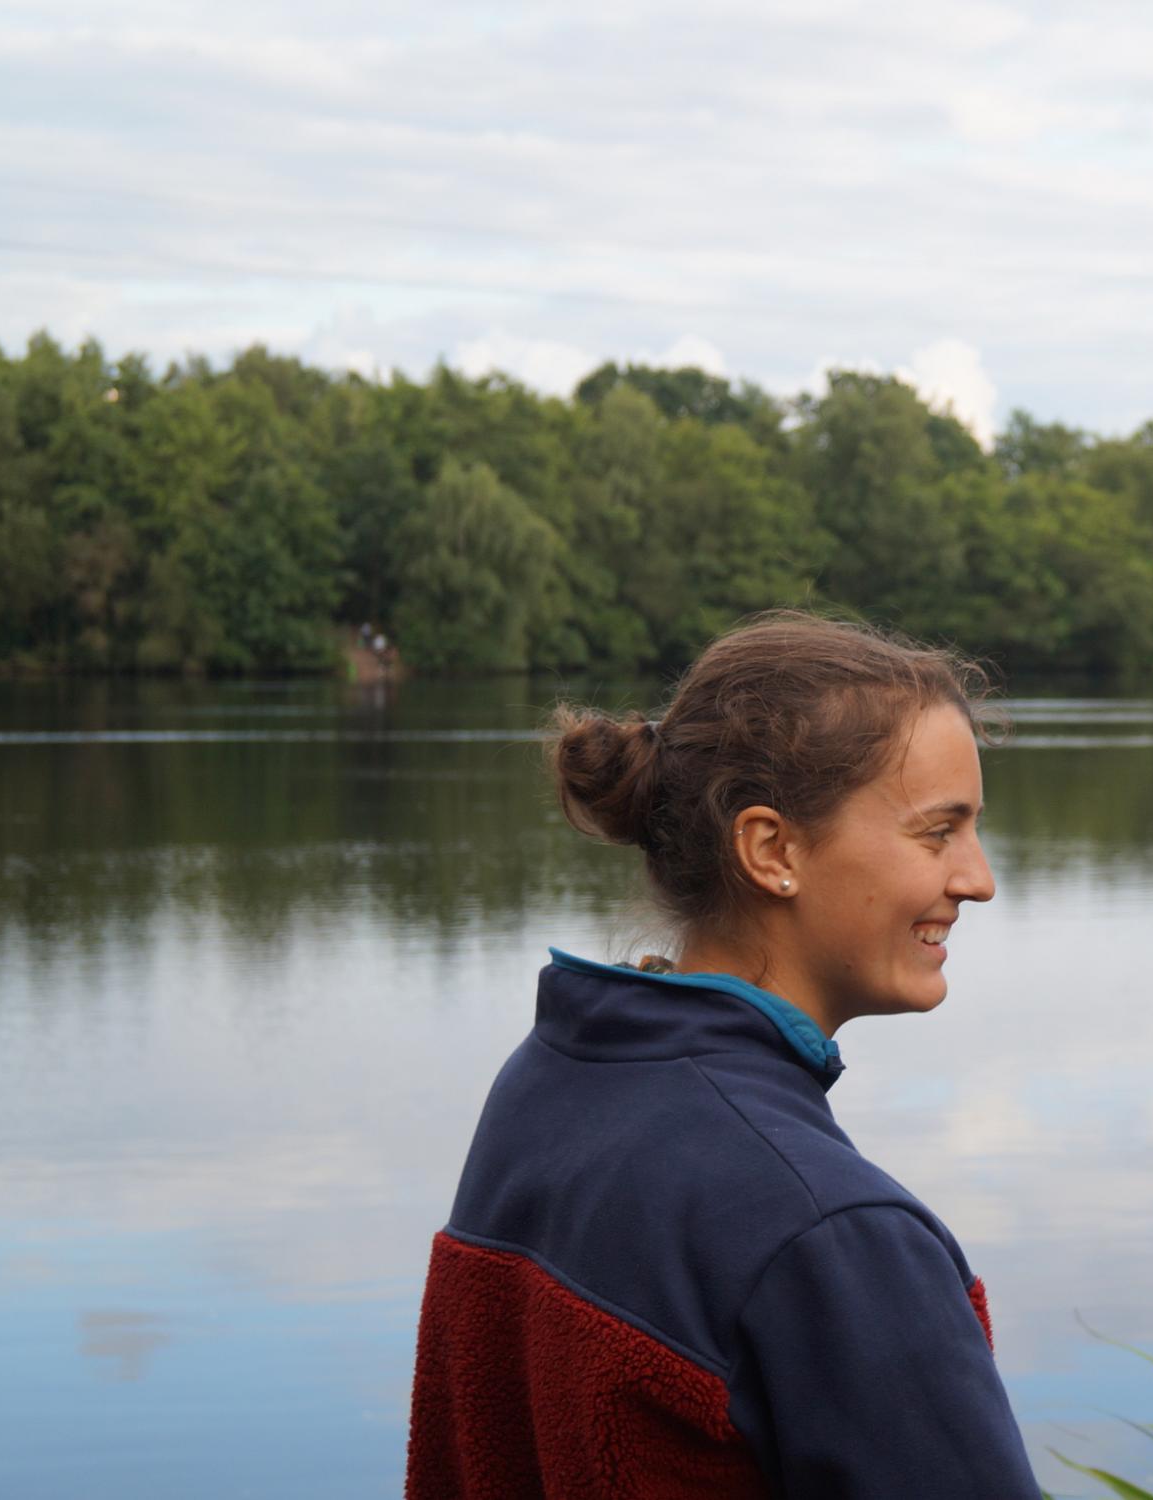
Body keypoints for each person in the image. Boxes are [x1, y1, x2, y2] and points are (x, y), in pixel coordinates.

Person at [406, 610, 1044, 1498]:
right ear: (771, 850)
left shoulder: (548, 1082)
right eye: (937, 832)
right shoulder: (831, 1235)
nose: (978, 879)